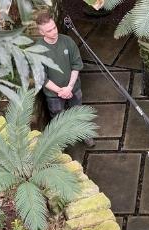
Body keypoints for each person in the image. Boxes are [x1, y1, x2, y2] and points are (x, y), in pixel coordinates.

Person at [35, 11, 95, 147]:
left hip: (73, 87)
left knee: (78, 112)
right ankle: (61, 142)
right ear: (41, 32)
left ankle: (84, 133)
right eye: (49, 30)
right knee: (58, 118)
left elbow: (76, 65)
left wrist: (69, 87)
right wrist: (60, 91)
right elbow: (41, 77)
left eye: (54, 27)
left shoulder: (67, 41)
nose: (54, 32)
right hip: (53, 94)